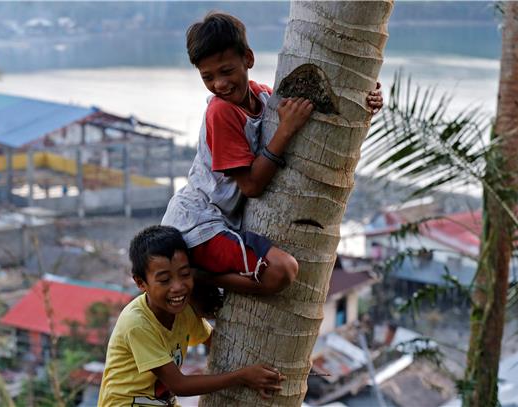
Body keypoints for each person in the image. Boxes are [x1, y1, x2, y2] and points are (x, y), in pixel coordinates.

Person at [162, 12, 383, 296]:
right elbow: (251, 186)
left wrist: (366, 96)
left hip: (218, 223)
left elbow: (319, 108)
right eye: (208, 77)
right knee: (281, 271)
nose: (219, 84)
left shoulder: (263, 97)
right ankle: (200, 277)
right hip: (198, 226)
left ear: (248, 60)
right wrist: (285, 130)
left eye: (226, 71)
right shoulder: (221, 111)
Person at [98, 225, 285, 406]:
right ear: (141, 283)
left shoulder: (184, 312)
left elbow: (215, 341)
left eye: (185, 274)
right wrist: (243, 376)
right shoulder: (137, 323)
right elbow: (179, 385)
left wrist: (264, 363)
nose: (178, 287)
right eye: (164, 280)